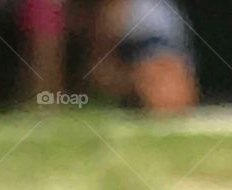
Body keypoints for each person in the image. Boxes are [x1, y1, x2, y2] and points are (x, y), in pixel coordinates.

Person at [19, 0, 198, 113]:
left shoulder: (148, 26)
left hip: (142, 41)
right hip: (96, 49)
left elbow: (172, 105)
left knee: (168, 105)